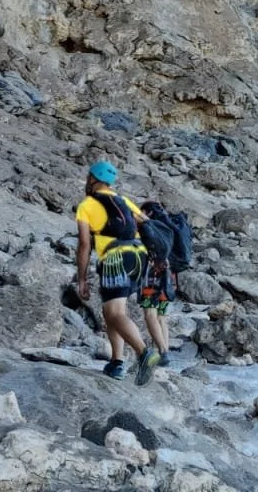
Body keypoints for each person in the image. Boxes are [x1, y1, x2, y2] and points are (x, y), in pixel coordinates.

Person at [73, 160, 166, 384]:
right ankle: (116, 362)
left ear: (93, 179)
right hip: (138, 257)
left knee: (115, 313)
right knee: (111, 311)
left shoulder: (86, 204)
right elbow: (145, 222)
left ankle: (144, 353)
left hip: (115, 258)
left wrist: (82, 278)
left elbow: (85, 244)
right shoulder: (124, 200)